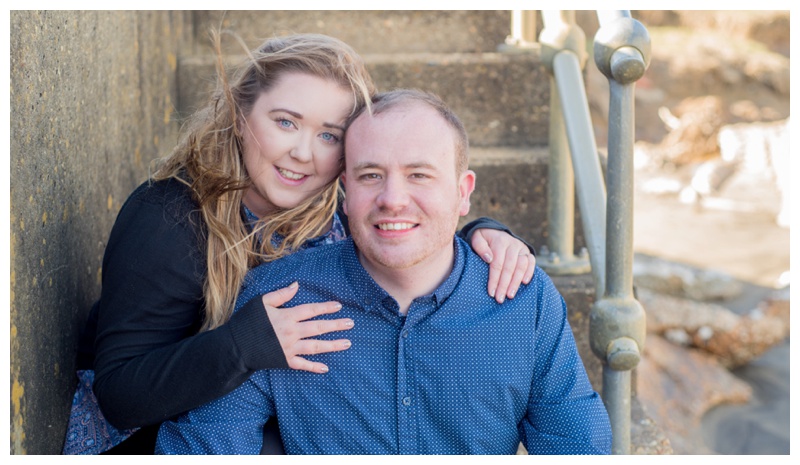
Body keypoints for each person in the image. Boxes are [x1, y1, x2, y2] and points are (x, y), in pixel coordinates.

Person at [62, 34, 536, 455]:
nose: (303, 152)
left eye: (328, 135)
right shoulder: (168, 217)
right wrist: (243, 344)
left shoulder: (335, 210)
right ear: (241, 114)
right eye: (286, 122)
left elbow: (409, 231)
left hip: (275, 417)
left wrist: (480, 232)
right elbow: (122, 397)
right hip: (153, 433)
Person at [155, 89, 611, 455]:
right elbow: (206, 444)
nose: (393, 199)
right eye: (372, 175)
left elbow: (575, 444)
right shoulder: (280, 300)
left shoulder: (521, 300)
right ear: (345, 191)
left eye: (419, 175)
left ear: (463, 192)